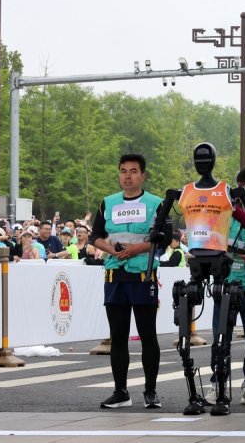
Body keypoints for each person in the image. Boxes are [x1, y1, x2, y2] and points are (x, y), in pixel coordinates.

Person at [90, 153, 167, 409]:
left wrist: (137, 249)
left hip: (143, 277)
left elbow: (164, 239)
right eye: (123, 171)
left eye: (134, 171)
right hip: (115, 277)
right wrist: (111, 250)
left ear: (143, 175)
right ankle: (120, 391)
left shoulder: (157, 203)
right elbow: (96, 237)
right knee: (118, 336)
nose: (128, 176)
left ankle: (150, 391)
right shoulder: (107, 202)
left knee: (148, 336)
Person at [204, 166, 245, 408]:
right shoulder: (225, 211)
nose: (242, 191)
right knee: (219, 338)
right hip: (225, 282)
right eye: (239, 186)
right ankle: (216, 385)